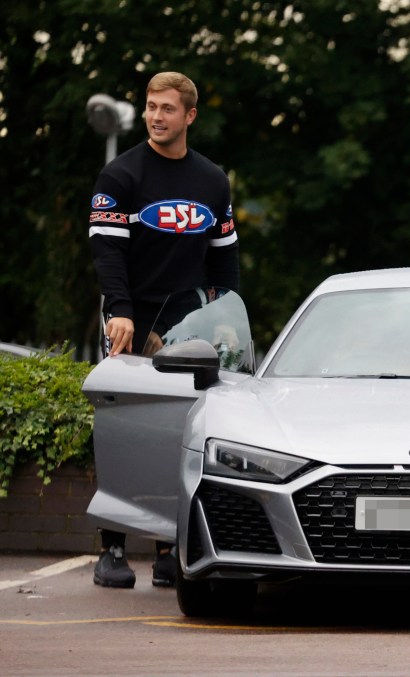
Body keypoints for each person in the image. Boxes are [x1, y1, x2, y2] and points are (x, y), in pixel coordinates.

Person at [87, 71, 240, 588]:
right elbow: (107, 252)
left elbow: (225, 264)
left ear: (189, 115)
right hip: (129, 317)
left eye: (167, 108)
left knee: (179, 432)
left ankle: (167, 550)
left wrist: (227, 321)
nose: (156, 116)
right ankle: (111, 549)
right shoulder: (120, 175)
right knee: (123, 428)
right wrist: (119, 311)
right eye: (151, 106)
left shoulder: (213, 180)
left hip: (187, 328)